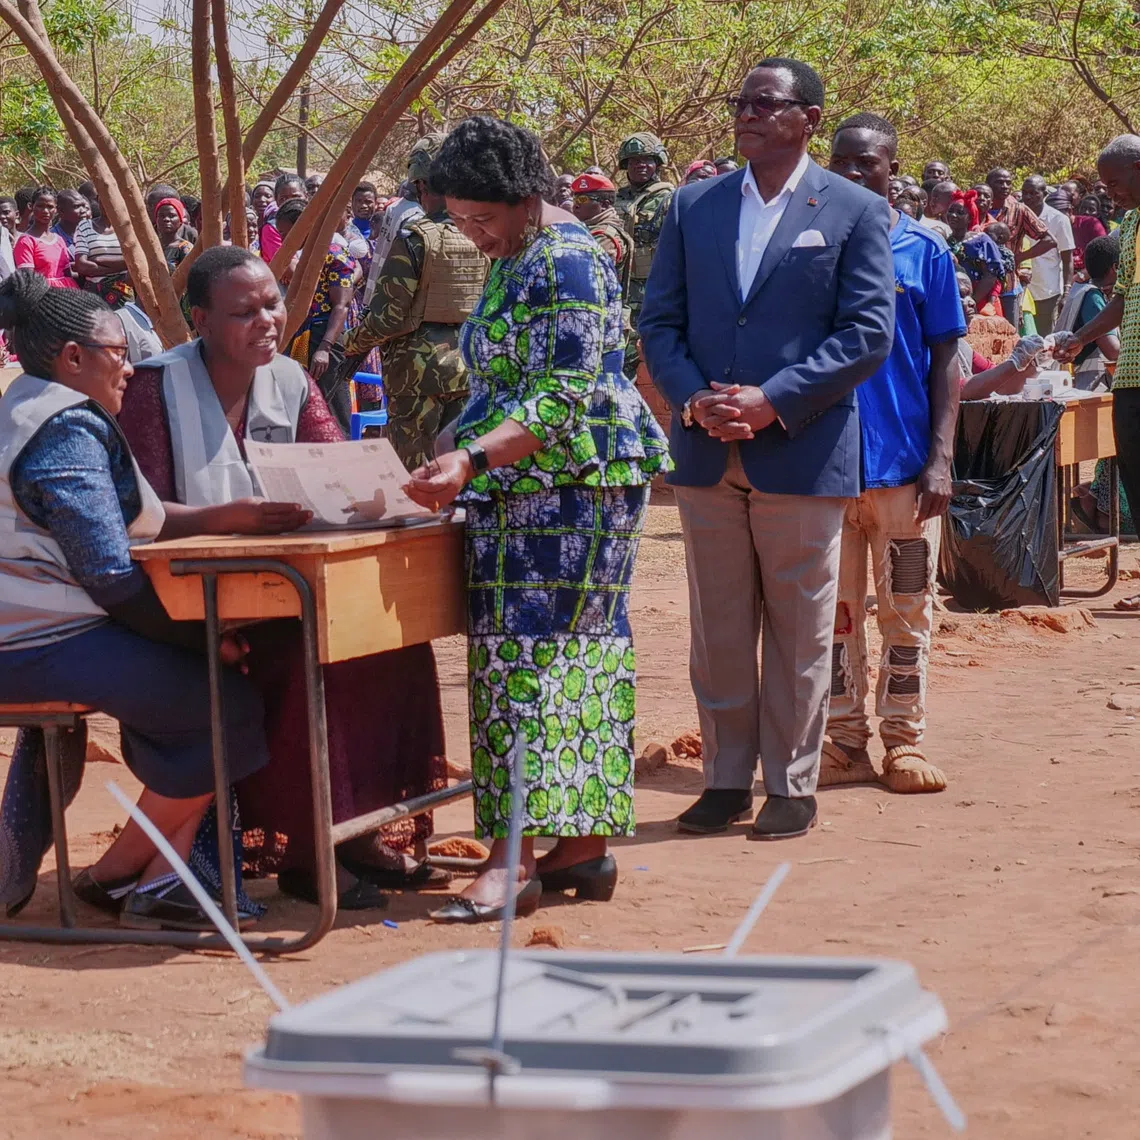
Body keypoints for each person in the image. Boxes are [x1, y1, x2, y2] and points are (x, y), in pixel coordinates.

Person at [117, 245, 450, 906]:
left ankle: (358, 831)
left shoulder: (292, 381)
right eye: (244, 311)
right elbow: (133, 512)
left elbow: (334, 461)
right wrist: (227, 517)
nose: (267, 320)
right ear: (201, 319)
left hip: (283, 587)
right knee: (307, 665)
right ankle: (307, 850)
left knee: (389, 645)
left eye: (272, 304)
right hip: (192, 602)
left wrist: (378, 489)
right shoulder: (155, 388)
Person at [402, 116, 670, 923]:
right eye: (460, 220)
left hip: (571, 489)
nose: (473, 234)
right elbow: (503, 377)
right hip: (525, 486)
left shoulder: (572, 258)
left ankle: (512, 860)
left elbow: (565, 393)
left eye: (483, 219)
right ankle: (580, 851)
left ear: (526, 200)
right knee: (565, 661)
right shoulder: (515, 255)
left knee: (533, 668)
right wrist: (452, 442)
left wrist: (473, 460)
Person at [0, 270, 314, 928]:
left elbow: (128, 517)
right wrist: (198, 637)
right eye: (121, 353)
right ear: (75, 358)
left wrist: (224, 516)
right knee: (222, 702)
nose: (131, 367)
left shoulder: (39, 406)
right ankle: (159, 882)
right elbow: (111, 574)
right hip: (32, 641)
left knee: (213, 695)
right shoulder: (61, 430)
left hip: (41, 630)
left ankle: (129, 877)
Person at [639, 58, 894, 839]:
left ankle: (791, 782)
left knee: (799, 627)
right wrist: (693, 398)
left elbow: (867, 333)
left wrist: (772, 400)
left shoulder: (852, 209)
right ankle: (723, 780)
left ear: (808, 118)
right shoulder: (694, 206)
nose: (746, 113)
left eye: (765, 102)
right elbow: (660, 322)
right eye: (740, 101)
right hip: (707, 447)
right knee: (717, 628)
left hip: (802, 450)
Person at [824, 114, 964, 793]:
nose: (853, 173)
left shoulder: (925, 252)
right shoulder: (808, 250)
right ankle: (841, 741)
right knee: (833, 617)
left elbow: (947, 361)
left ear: (891, 169)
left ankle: (903, 741)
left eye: (867, 163)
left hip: (906, 473)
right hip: (821, 476)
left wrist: (941, 457)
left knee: (906, 614)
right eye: (842, 161)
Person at [342, 144, 488, 470]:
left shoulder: (413, 238)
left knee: (414, 476)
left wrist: (346, 344)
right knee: (458, 471)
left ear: (421, 185)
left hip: (416, 377)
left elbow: (387, 318)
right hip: (467, 370)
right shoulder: (481, 238)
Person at [275, 197, 354, 388]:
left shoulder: (334, 255)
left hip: (325, 337)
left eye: (287, 234)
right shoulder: (303, 258)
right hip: (302, 334)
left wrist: (324, 348)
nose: (285, 240)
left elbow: (341, 305)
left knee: (331, 408)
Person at [615, 132, 675, 372]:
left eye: (647, 160)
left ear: (657, 164)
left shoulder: (669, 198)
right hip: (618, 287)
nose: (640, 165)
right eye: (634, 161)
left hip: (652, 289)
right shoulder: (615, 198)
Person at [985, 167, 1054, 326]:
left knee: (1009, 335)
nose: (1005, 186)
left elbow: (1049, 240)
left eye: (1008, 183)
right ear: (988, 184)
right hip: (979, 284)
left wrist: (1020, 257)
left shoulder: (1019, 209)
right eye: (999, 182)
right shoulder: (978, 206)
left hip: (1007, 285)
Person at [1056, 232, 1120, 391]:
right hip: (1094, 385)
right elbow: (1113, 351)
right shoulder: (1093, 298)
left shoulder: (1081, 291)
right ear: (1115, 267)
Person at [1021, 176, 1074, 335]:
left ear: (1044, 194)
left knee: (1046, 341)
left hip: (1047, 292)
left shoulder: (1059, 219)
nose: (1028, 197)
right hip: (1022, 291)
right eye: (1025, 193)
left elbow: (1067, 259)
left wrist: (1066, 292)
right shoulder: (1017, 214)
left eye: (1033, 193)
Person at [570, 171, 633, 283]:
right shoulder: (587, 227)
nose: (576, 205)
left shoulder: (605, 236)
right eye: (575, 199)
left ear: (604, 204)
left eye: (583, 199)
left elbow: (585, 276)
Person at [73, 196, 132, 308]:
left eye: (112, 198)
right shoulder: (85, 226)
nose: (108, 203)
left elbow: (135, 261)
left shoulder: (127, 228)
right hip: (94, 292)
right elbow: (82, 266)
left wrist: (98, 260)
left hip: (123, 290)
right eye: (104, 198)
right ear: (98, 199)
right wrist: (123, 266)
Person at [13, 188, 76, 289]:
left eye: (50, 207)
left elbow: (67, 273)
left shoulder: (59, 240)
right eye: (40, 206)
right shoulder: (26, 241)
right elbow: (28, 281)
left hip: (67, 294)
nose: (45, 211)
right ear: (31, 206)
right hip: (43, 296)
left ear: (56, 209)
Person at [259, 174, 306, 262]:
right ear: (276, 201)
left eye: (296, 196)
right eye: (283, 198)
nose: (290, 202)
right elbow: (288, 267)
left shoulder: (317, 223)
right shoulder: (272, 228)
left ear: (306, 196)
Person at [1072, 192, 1108, 269]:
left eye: (1091, 209)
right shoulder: (1072, 226)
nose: (1086, 212)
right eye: (1084, 208)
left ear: (1098, 214)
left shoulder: (1098, 229)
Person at [52, 189, 89, 256]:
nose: (83, 211)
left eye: (83, 206)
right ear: (61, 211)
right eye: (76, 206)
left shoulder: (88, 232)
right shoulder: (52, 239)